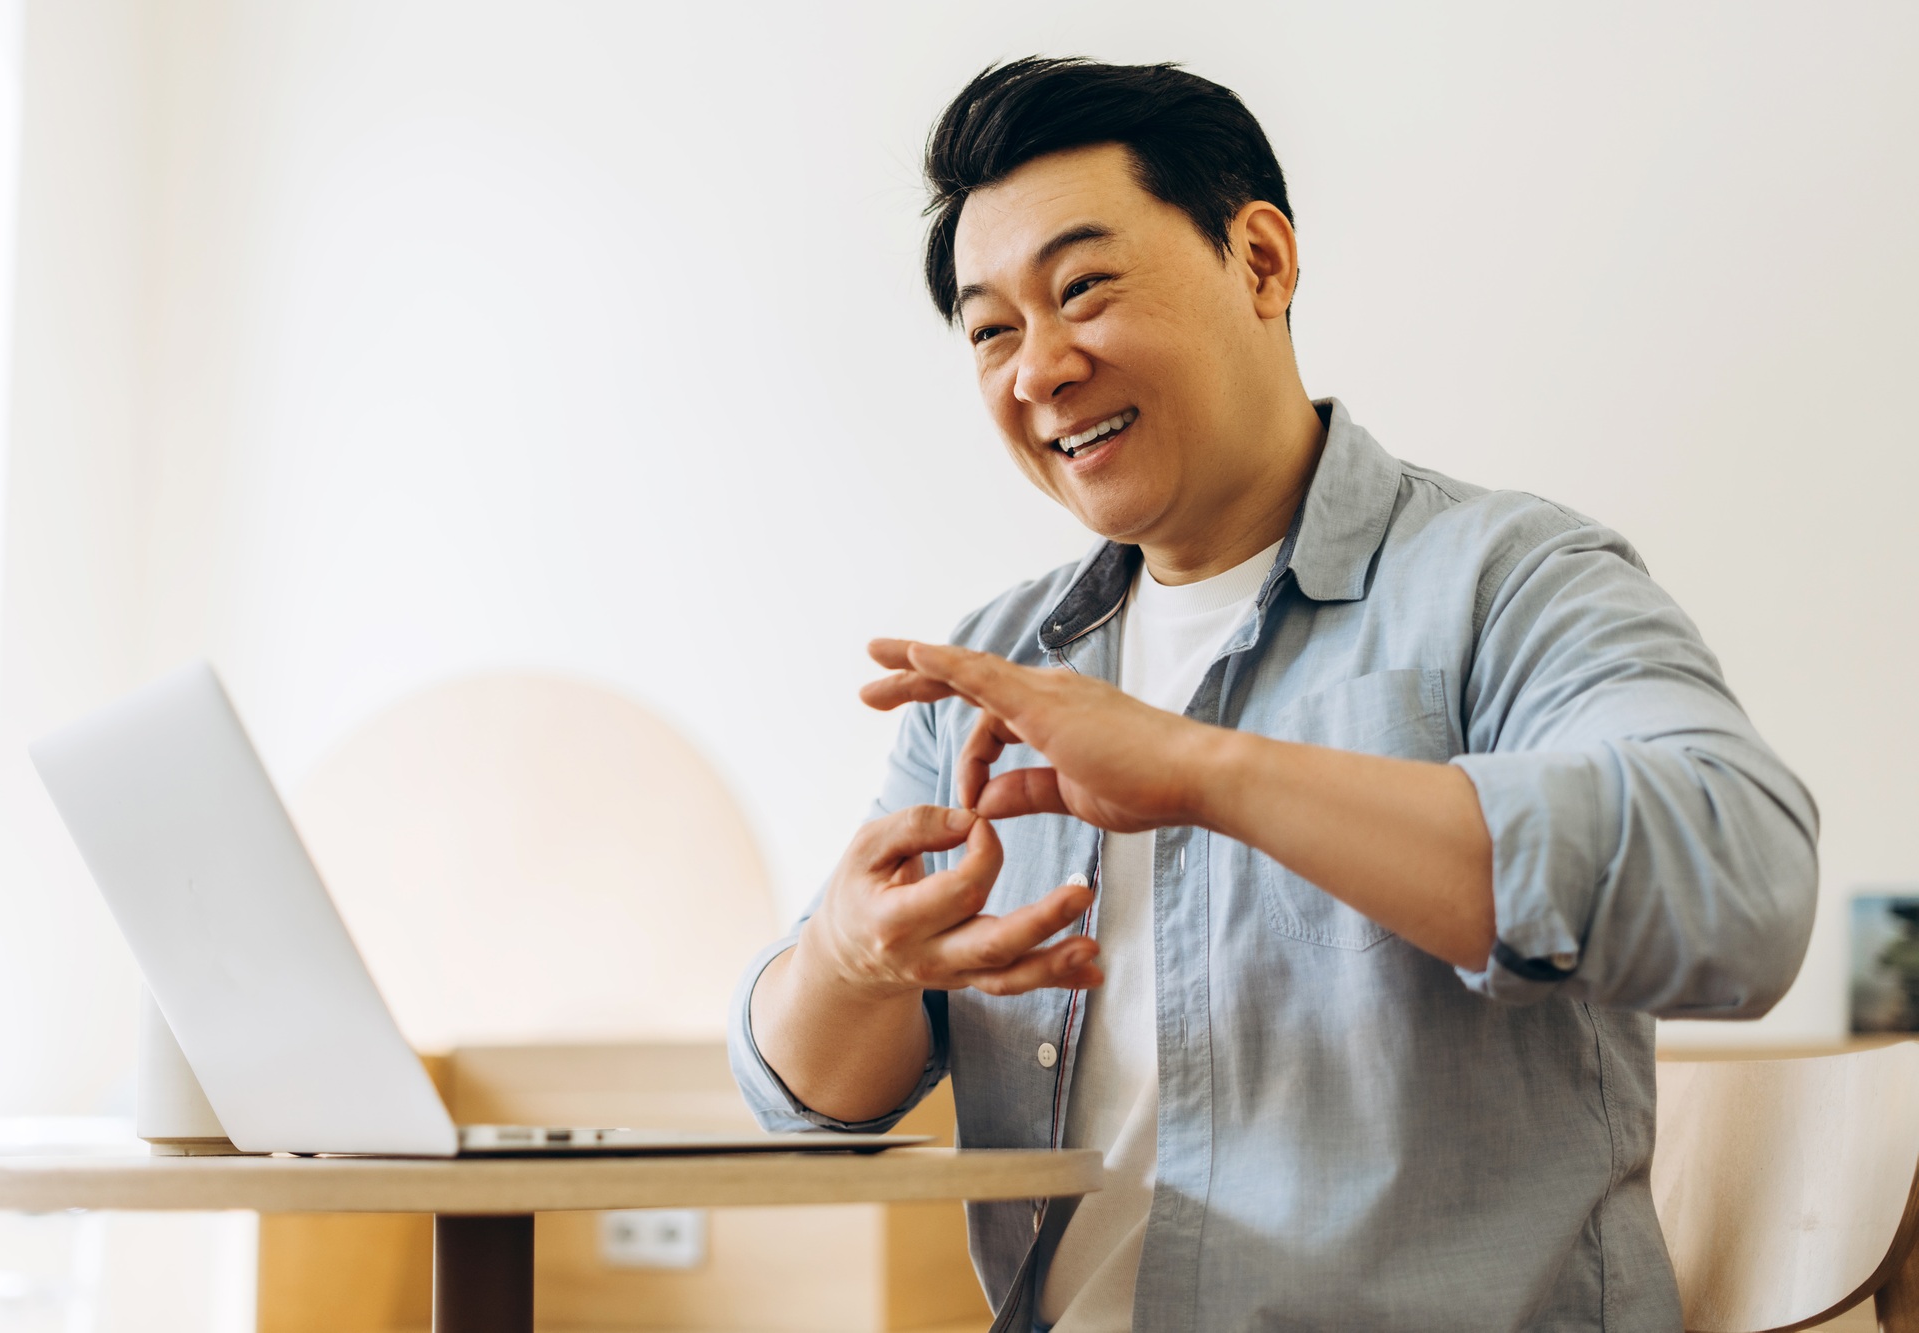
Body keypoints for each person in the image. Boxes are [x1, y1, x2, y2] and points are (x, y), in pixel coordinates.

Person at [728, 57, 1818, 1332]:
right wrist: (851, 956)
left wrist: (1205, 770)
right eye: (990, 331)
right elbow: (803, 1098)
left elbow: (1741, 882)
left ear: (1258, 261)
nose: (1038, 370)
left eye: (1082, 288)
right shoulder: (996, 662)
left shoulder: (1505, 580)